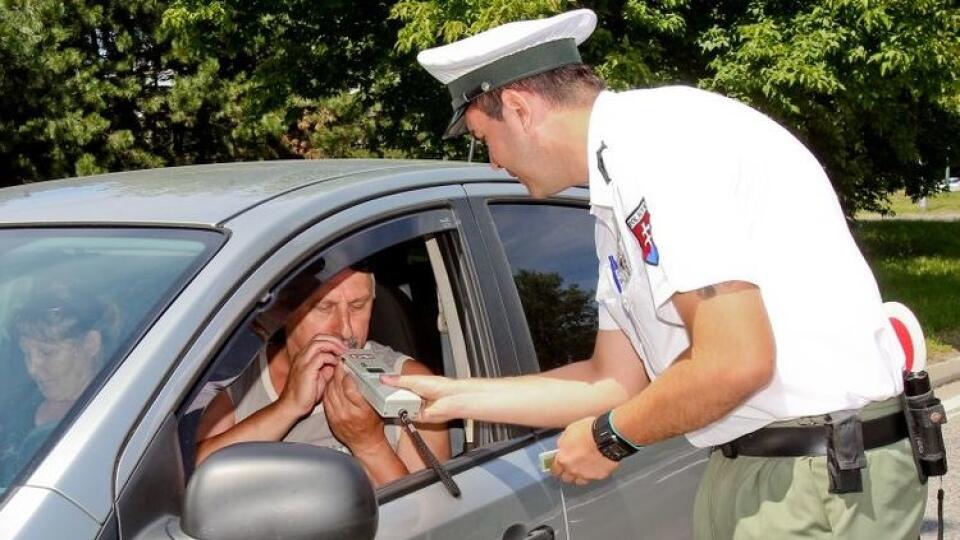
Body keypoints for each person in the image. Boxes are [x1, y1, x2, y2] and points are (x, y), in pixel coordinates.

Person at [392, 8, 925, 538]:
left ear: (519, 107)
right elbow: (613, 381)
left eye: (484, 137)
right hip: (768, 464)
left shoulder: (659, 147)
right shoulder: (615, 188)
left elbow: (736, 360)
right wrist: (458, 395)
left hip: (810, 473)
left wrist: (608, 440)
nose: (492, 162)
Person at [195, 266, 450, 487]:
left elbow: (431, 521)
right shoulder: (240, 373)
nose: (345, 328)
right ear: (286, 311)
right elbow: (194, 480)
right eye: (324, 307)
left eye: (357, 306)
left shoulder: (410, 385)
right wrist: (287, 407)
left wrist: (370, 445)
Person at [2, 283, 117, 482]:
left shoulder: (113, 421)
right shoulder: (19, 402)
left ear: (90, 344)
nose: (32, 369)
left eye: (47, 352)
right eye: (26, 353)